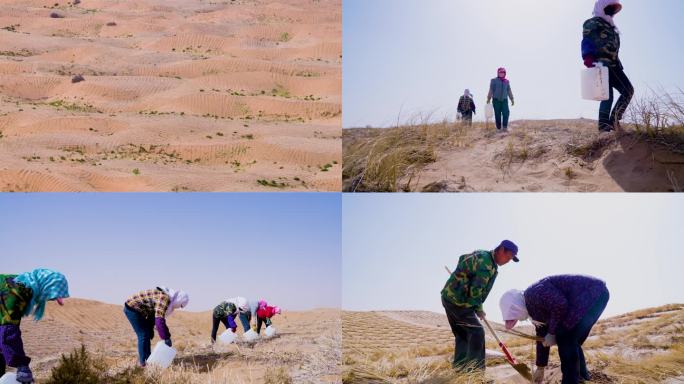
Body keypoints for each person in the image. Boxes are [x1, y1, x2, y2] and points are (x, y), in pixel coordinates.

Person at [499, 275, 610, 384]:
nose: (519, 319)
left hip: (592, 293)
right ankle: (582, 378)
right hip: (597, 295)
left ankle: (571, 381)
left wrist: (552, 333)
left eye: (515, 316)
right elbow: (541, 338)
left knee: (565, 337)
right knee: (570, 340)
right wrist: (540, 367)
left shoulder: (533, 294)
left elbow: (560, 304)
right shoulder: (534, 310)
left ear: (516, 306)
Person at [440, 240, 519, 373]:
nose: (508, 261)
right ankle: (476, 375)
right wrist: (479, 309)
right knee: (477, 332)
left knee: (463, 335)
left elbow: (462, 258)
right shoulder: (486, 264)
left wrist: (461, 276)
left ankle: (460, 371)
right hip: (459, 302)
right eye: (508, 256)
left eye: (511, 259)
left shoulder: (484, 255)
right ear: (501, 250)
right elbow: (476, 290)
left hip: (449, 297)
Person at [0, 268, 70, 383]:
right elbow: (8, 330)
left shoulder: (24, 283)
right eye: (49, 296)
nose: (48, 300)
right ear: (45, 288)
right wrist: (21, 365)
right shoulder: (16, 293)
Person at [582, 0, 633, 133]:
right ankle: (604, 127)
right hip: (600, 63)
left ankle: (614, 121)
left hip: (615, 65)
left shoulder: (612, 28)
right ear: (602, 7)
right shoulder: (592, 22)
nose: (612, 10)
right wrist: (588, 58)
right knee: (607, 96)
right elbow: (587, 40)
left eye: (614, 8)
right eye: (609, 6)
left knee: (628, 90)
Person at [124, 286, 189, 367]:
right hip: (132, 308)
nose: (179, 307)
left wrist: (150, 328)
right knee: (143, 335)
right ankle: (143, 364)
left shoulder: (166, 297)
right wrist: (166, 337)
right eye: (181, 305)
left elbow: (153, 314)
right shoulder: (164, 298)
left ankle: (147, 360)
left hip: (139, 310)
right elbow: (159, 320)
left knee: (146, 334)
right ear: (179, 299)